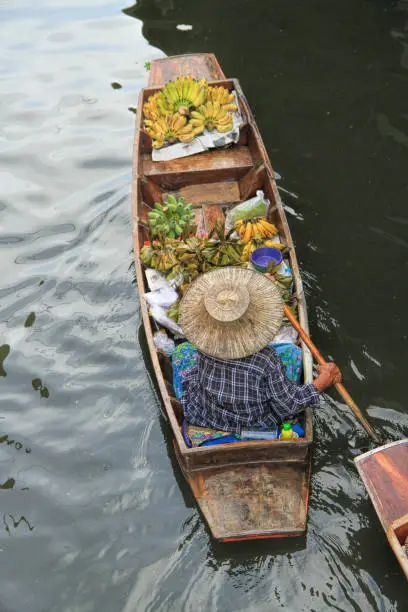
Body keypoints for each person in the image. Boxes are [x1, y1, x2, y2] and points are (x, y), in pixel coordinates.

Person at [175, 267, 341, 435]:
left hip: (208, 415)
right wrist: (323, 380)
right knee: (293, 353)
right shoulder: (266, 359)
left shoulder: (205, 341)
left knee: (182, 352)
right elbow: (288, 405)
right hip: (254, 422)